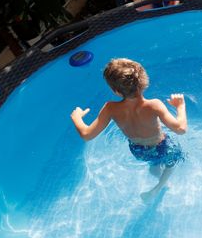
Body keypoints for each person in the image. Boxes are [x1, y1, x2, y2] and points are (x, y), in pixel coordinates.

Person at [71, 58, 187, 200]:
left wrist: (76, 117)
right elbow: (181, 129)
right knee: (171, 162)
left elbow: (86, 134)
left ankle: (161, 182)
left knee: (154, 165)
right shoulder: (154, 105)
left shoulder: (110, 108)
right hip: (161, 146)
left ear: (116, 91)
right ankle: (159, 187)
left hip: (138, 151)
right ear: (144, 82)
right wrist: (180, 106)